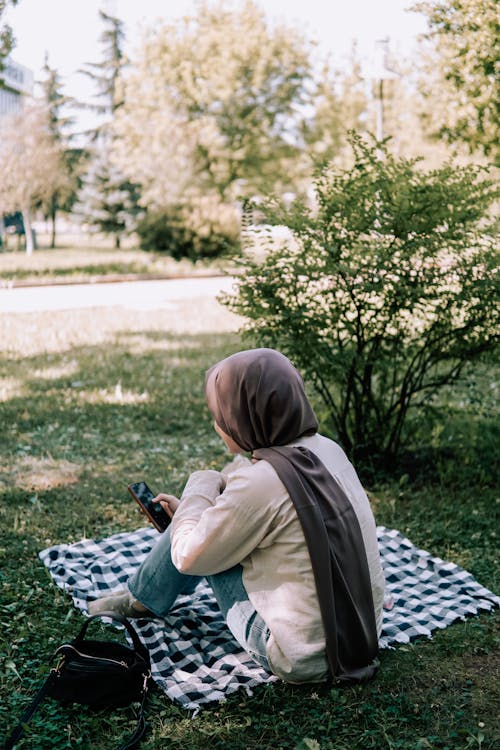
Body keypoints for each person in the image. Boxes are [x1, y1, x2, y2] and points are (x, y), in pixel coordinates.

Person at [89, 348, 385, 683]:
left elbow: (189, 557)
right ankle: (141, 596)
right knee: (203, 521)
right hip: (362, 634)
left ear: (246, 416)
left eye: (222, 413)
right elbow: (274, 495)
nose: (217, 424)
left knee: (195, 536)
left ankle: (140, 599)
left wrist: (201, 485)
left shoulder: (258, 483)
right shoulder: (328, 450)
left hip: (301, 657)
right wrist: (201, 505)